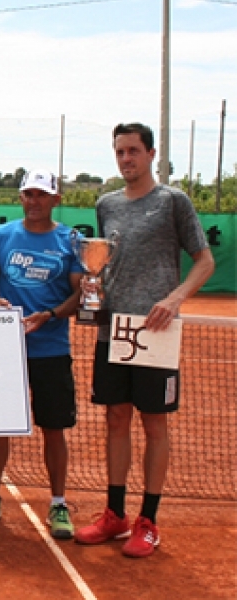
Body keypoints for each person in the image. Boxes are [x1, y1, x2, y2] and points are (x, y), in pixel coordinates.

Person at [74, 123, 214, 557]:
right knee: (115, 418)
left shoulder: (173, 202)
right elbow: (105, 267)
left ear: (152, 154)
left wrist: (173, 299)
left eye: (133, 151)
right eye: (119, 152)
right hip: (112, 331)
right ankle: (115, 514)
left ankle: (148, 521)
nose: (126, 159)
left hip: (156, 332)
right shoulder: (106, 204)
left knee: (155, 423)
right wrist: (92, 295)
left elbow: (204, 261)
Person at [0, 169, 82, 539]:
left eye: (42, 195)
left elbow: (81, 295)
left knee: (54, 429)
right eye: (28, 194)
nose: (34, 201)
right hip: (6, 349)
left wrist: (50, 315)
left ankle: (58, 503)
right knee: (0, 426)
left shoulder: (71, 241)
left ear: (55, 200)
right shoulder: (2, 236)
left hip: (52, 349)